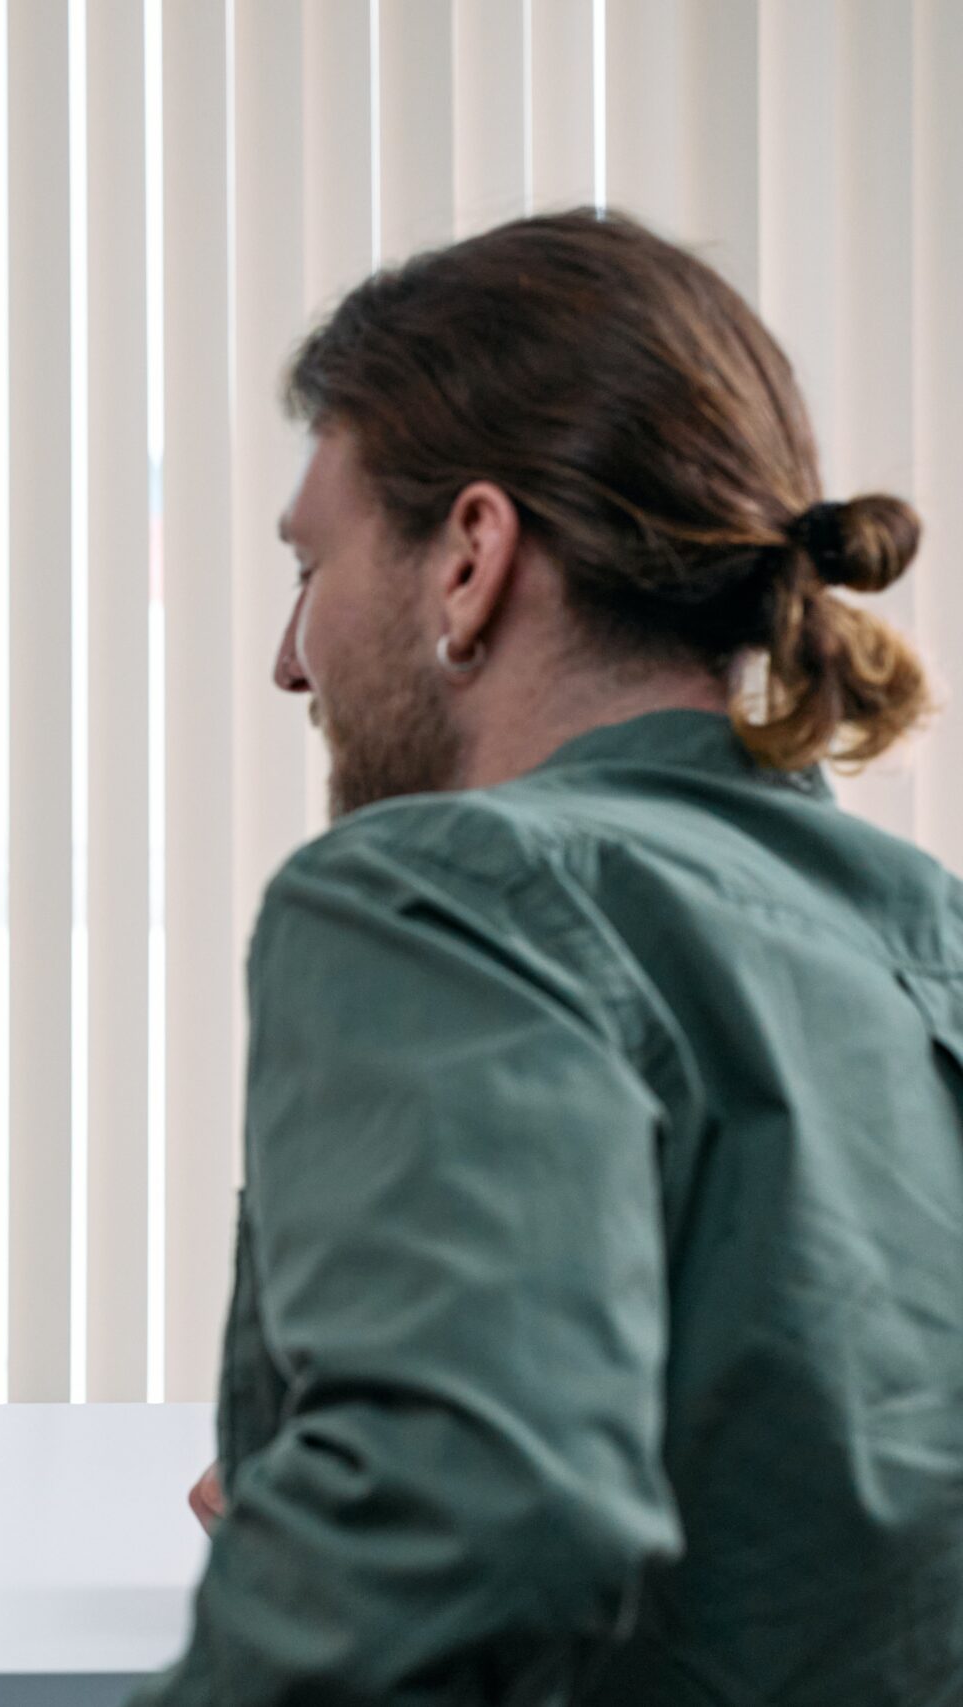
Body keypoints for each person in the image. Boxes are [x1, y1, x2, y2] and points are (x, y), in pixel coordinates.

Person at [136, 211, 963, 1702]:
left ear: (469, 558)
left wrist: (372, 1505)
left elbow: (464, 1522)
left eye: (311, 566)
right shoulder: (920, 928)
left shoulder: (446, 888)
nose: (288, 656)